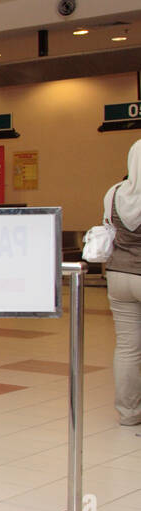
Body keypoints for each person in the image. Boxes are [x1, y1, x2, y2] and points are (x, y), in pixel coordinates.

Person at [105, 140, 141, 425]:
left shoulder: (114, 193)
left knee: (128, 347)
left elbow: (108, 229)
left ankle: (128, 413)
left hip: (118, 276)